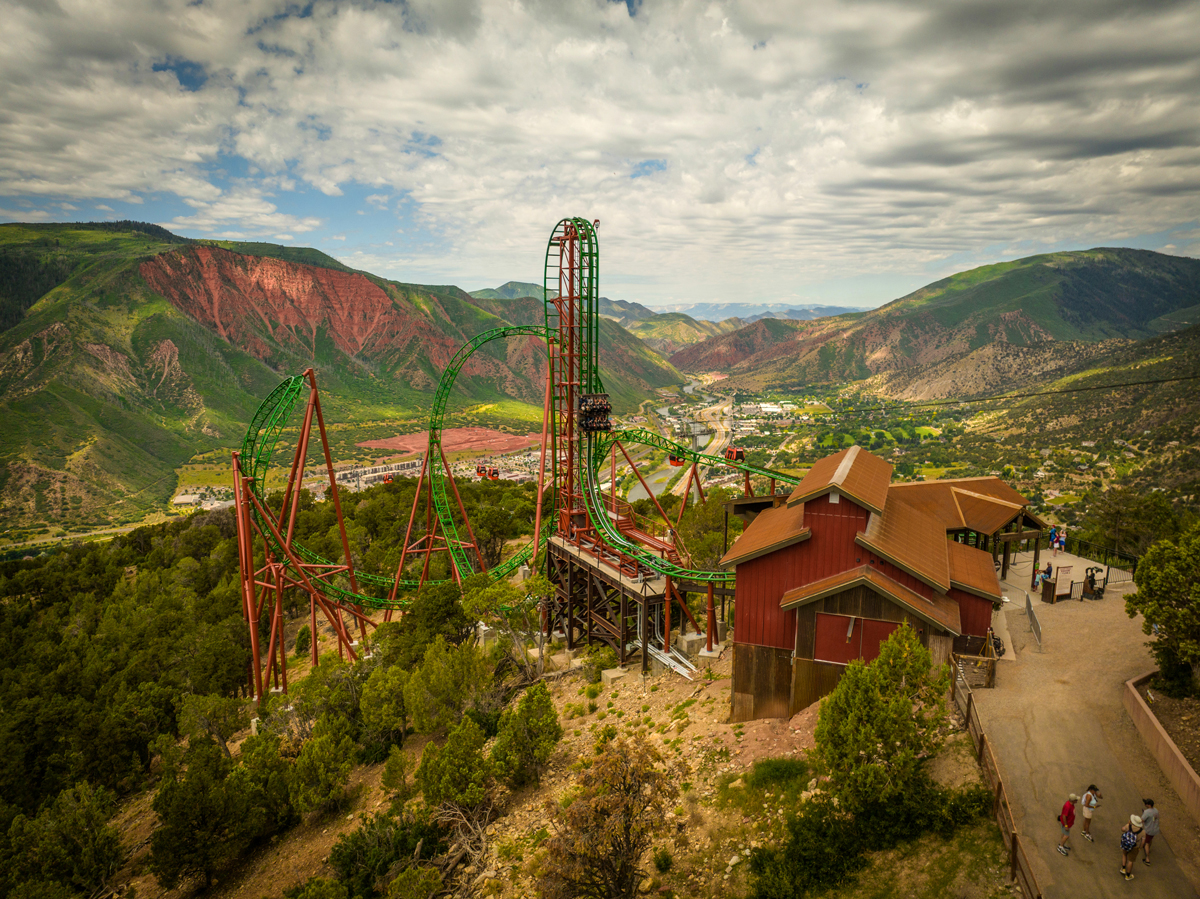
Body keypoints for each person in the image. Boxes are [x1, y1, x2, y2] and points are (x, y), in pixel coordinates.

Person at [1120, 814, 1144, 880]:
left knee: (1124, 854)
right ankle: (1128, 875)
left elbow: (1122, 829)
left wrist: (1127, 824)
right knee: (1131, 860)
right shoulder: (1142, 832)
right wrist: (1140, 848)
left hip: (1126, 844)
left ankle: (1123, 868)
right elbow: (1142, 842)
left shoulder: (1128, 826)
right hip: (1134, 847)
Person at [1141, 799, 1159, 865]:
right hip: (1155, 829)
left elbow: (1142, 820)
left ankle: (1147, 859)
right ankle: (1148, 849)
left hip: (1149, 830)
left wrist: (1143, 814)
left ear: (1149, 805)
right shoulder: (1156, 810)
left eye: (1146, 803)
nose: (1145, 804)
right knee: (1149, 840)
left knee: (1146, 843)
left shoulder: (1147, 812)